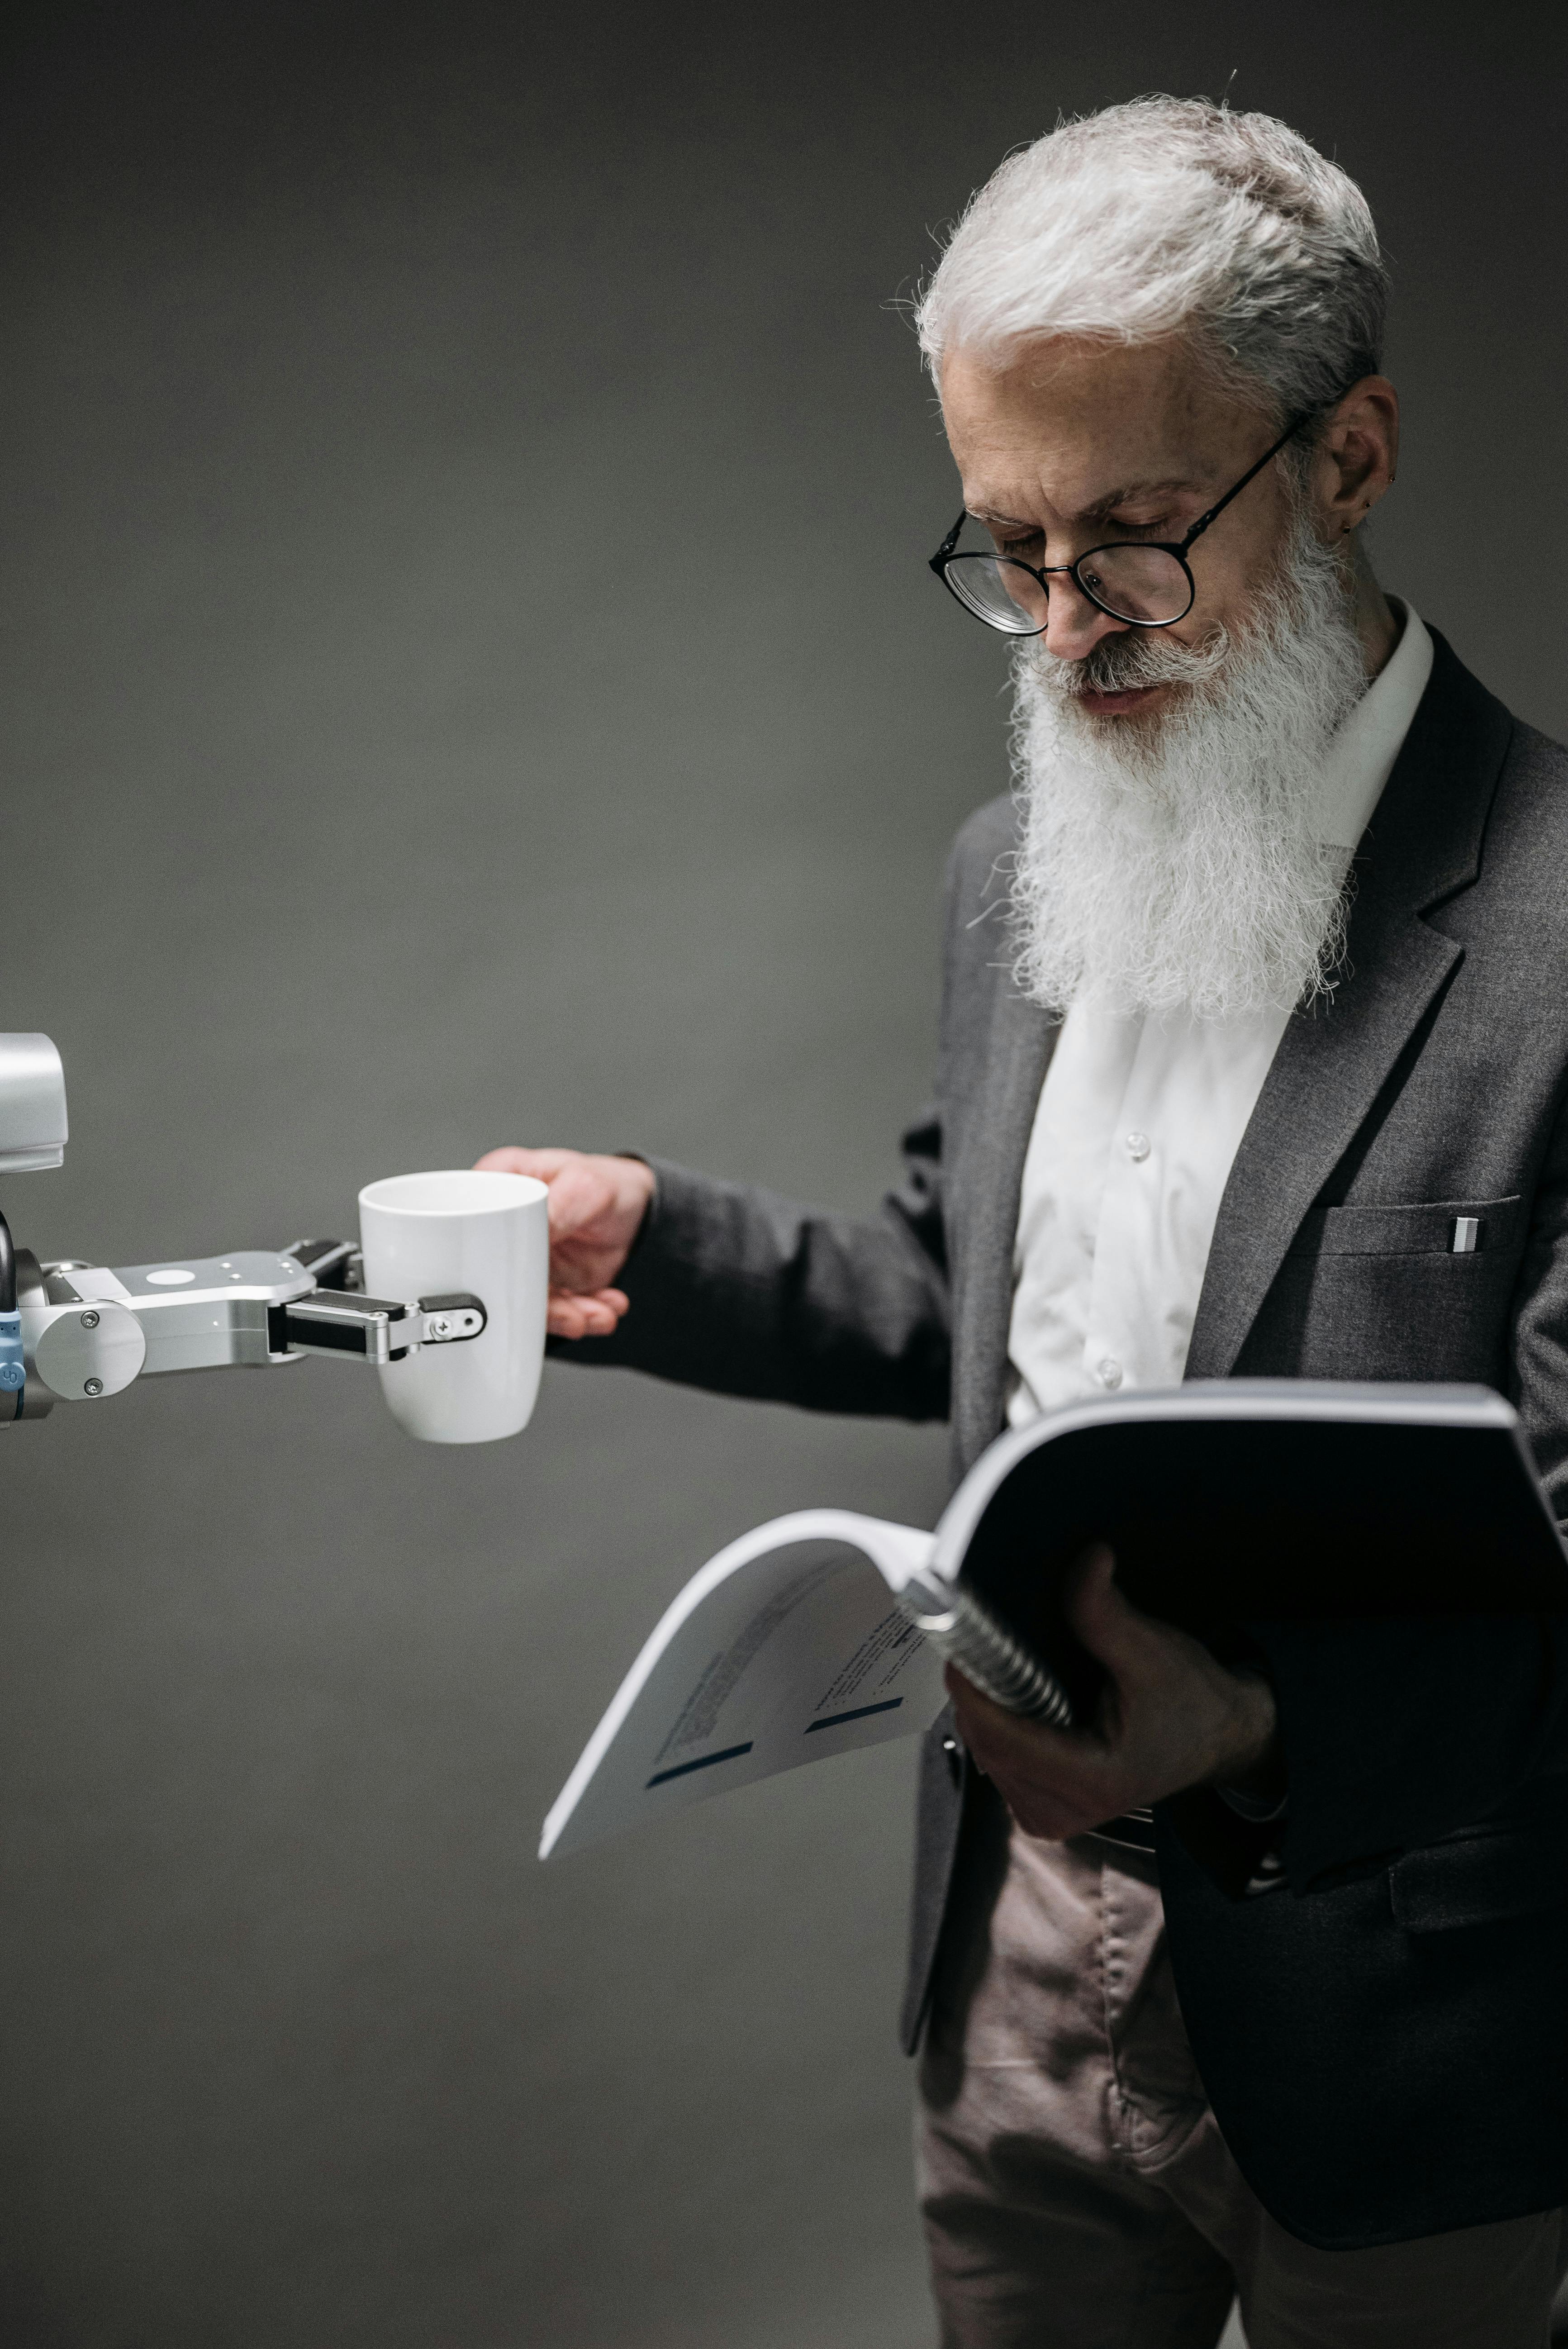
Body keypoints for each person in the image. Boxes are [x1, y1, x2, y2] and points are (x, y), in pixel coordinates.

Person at [481, 98, 1568, 2348]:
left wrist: (1251, 1724)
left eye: (1138, 538)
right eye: (1009, 547)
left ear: (1348, 458)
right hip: (1011, 1963)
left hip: (1421, 2006)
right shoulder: (1011, 874)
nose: (1068, 633)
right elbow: (963, 1294)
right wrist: (649, 1237)